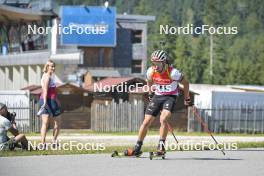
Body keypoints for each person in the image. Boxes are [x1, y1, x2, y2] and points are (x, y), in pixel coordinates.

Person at [128, 50, 191, 156]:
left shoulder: (173, 72)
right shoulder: (151, 71)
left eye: (157, 63)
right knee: (146, 121)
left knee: (163, 119)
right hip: (158, 96)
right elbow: (149, 81)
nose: (155, 66)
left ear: (164, 62)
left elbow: (186, 83)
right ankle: (137, 147)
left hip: (170, 96)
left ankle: (161, 147)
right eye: (153, 63)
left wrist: (187, 98)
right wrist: (150, 92)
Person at [38, 60, 62, 149]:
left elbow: (50, 91)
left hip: (47, 100)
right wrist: (45, 102)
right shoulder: (47, 76)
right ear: (47, 67)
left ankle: (42, 144)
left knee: (45, 123)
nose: (53, 68)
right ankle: (54, 141)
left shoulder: (45, 76)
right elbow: (45, 90)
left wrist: (56, 99)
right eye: (51, 66)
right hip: (49, 101)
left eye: (54, 66)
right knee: (58, 122)